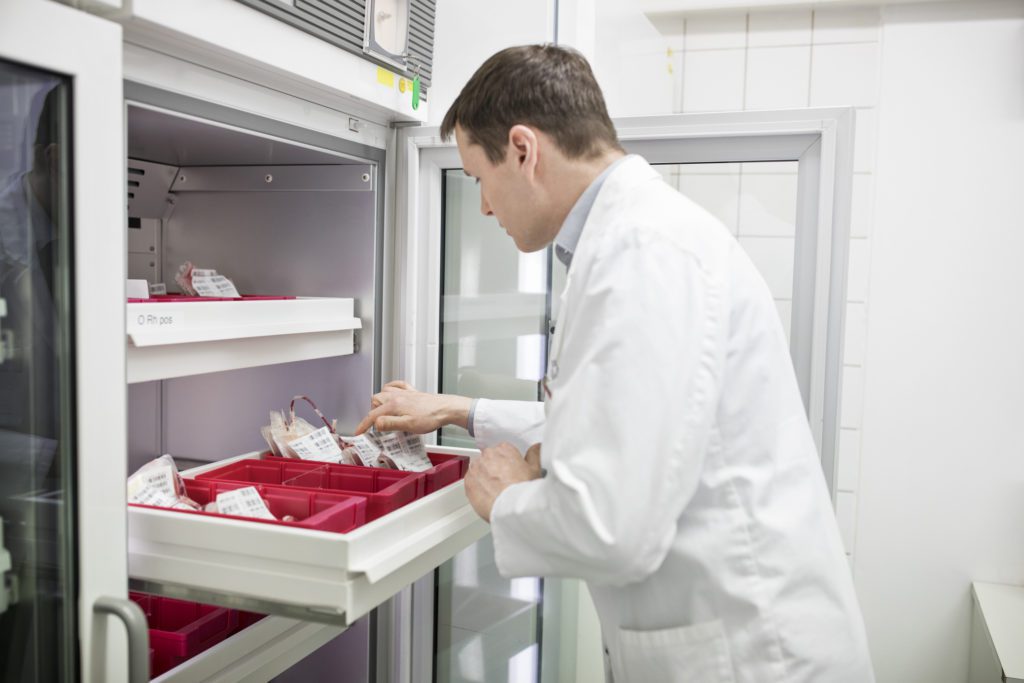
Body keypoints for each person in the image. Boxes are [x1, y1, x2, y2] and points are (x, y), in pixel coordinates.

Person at [357, 45, 874, 682]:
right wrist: (461, 411)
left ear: (524, 150)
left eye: (477, 178)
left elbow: (612, 526)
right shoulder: (635, 240)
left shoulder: (642, 254)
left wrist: (508, 500)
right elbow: (616, 426)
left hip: (750, 655)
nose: (485, 207)